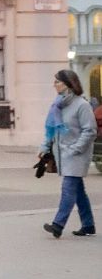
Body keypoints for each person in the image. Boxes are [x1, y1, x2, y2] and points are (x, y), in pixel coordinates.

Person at [42, 68, 97, 237]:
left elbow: (90, 130)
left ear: (68, 84)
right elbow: (52, 130)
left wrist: (75, 148)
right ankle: (88, 225)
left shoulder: (82, 105)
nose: (54, 85)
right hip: (63, 154)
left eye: (57, 82)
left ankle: (58, 224)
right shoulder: (57, 105)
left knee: (68, 189)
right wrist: (44, 148)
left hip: (76, 155)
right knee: (78, 191)